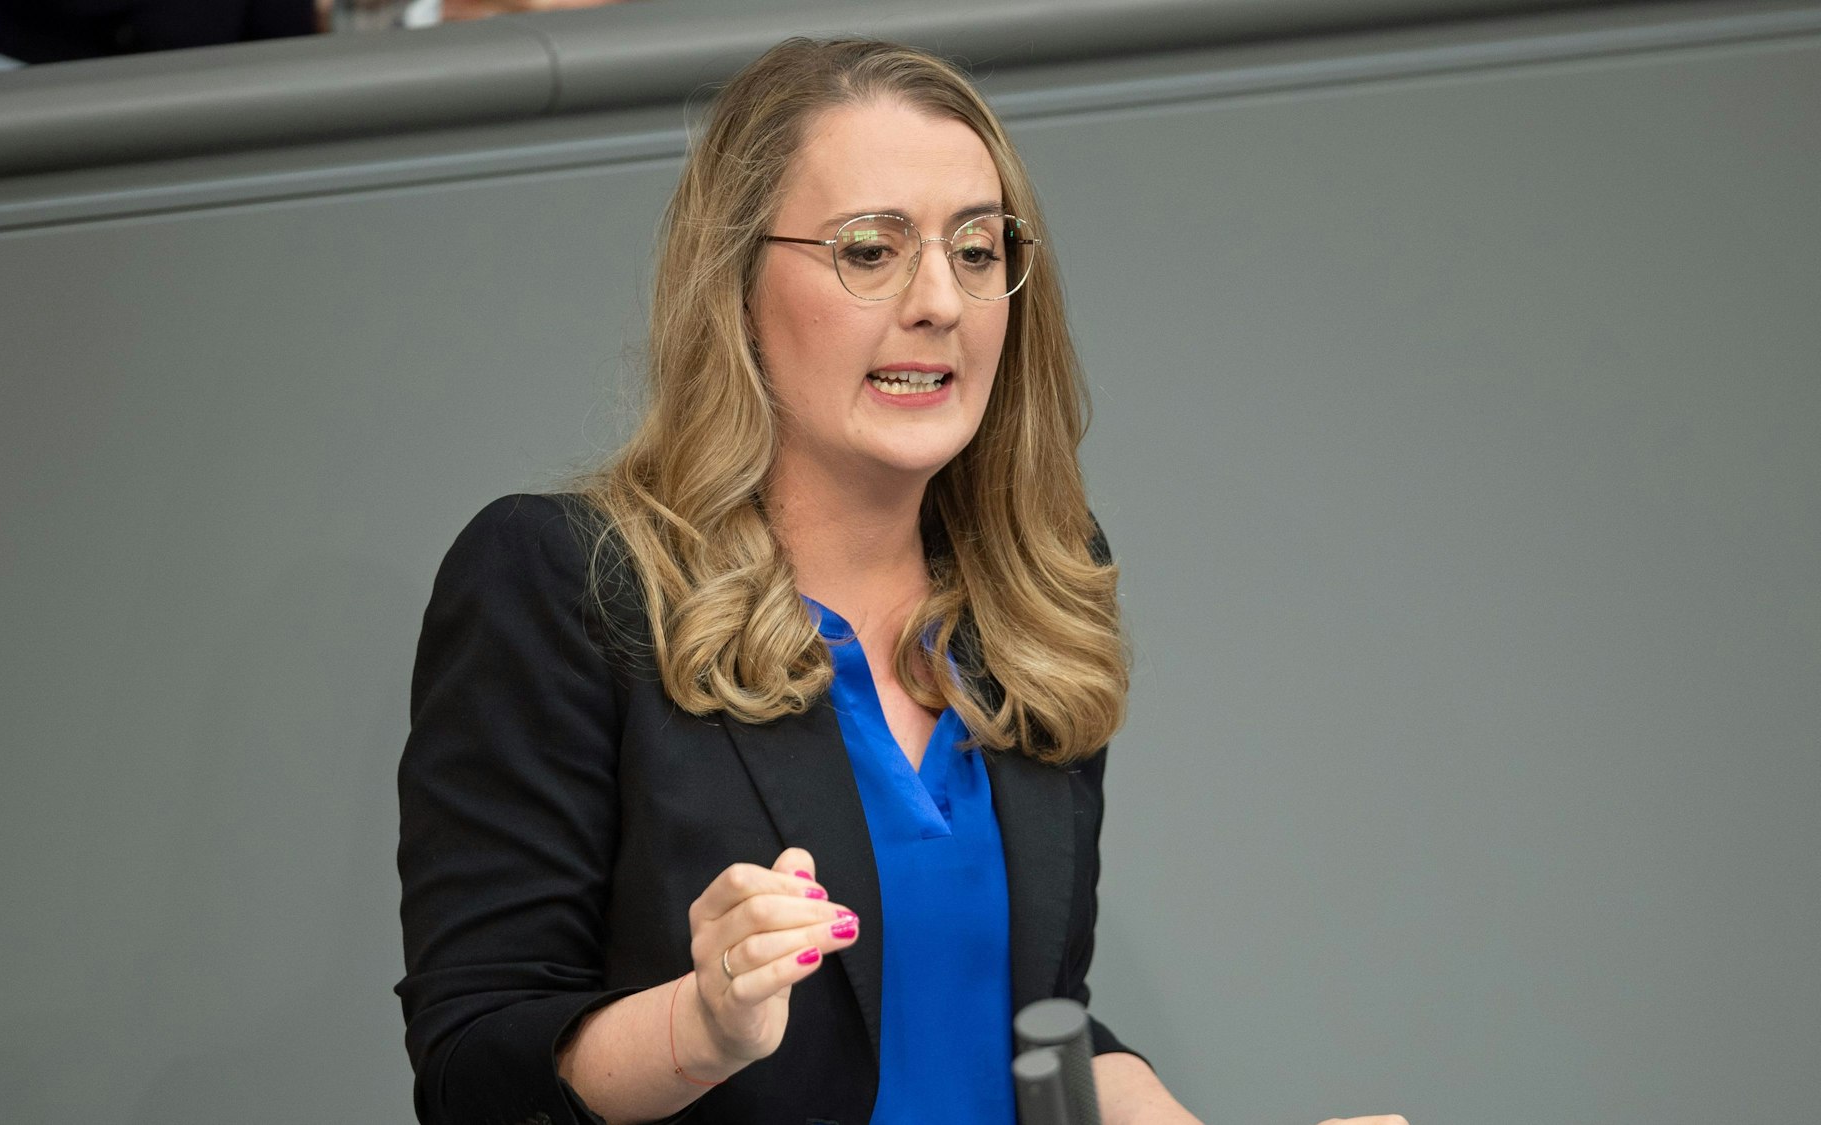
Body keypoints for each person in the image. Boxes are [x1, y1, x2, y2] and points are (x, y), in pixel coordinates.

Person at [395, 36, 1408, 1125]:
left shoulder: (1039, 590)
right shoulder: (562, 582)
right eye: (869, 250)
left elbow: (1038, 1020)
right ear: (734, 284)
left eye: (977, 252)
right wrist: (703, 1026)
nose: (939, 300)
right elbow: (471, 1070)